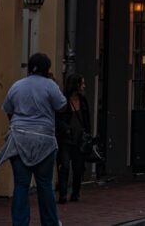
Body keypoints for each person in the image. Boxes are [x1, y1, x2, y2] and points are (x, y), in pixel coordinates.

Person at [0, 53, 67, 226]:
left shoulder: (17, 85)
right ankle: (50, 222)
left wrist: (17, 124)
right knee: (44, 184)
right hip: (44, 139)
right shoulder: (50, 85)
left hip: (19, 137)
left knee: (21, 184)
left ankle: (19, 223)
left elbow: (8, 108)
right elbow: (62, 106)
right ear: (47, 69)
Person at [56, 73, 91, 202]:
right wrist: (65, 128)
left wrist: (88, 134)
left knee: (78, 168)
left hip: (80, 139)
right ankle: (63, 194)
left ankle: (75, 192)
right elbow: (57, 119)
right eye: (82, 84)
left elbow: (86, 119)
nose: (84, 86)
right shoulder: (63, 101)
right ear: (75, 85)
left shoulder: (83, 101)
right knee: (64, 165)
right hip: (66, 139)